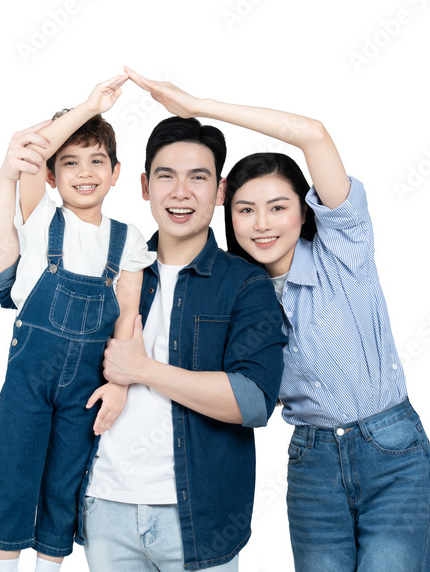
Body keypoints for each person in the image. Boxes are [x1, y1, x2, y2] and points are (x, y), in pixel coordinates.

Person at [123, 67, 430, 571]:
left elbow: (311, 133)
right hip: (312, 463)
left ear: (303, 211)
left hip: (390, 453)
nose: (262, 224)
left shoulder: (345, 251)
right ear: (228, 212)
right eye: (246, 210)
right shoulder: (236, 293)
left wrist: (199, 107)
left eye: (277, 207)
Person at [82, 113, 287, 570]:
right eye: (166, 177)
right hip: (105, 507)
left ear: (220, 191)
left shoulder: (245, 283)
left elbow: (253, 401)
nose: (181, 192)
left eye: (198, 178)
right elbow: (0, 283)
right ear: (143, 185)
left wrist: (142, 370)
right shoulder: (109, 266)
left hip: (199, 517)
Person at [0, 73, 156, 572]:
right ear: (51, 176)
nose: (84, 172)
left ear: (117, 172)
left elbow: (127, 318)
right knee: (14, 473)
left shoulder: (129, 239)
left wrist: (118, 385)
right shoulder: (40, 218)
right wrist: (90, 105)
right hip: (28, 379)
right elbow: (33, 146)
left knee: (64, 483)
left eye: (97, 160)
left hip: (86, 385)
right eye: (70, 163)